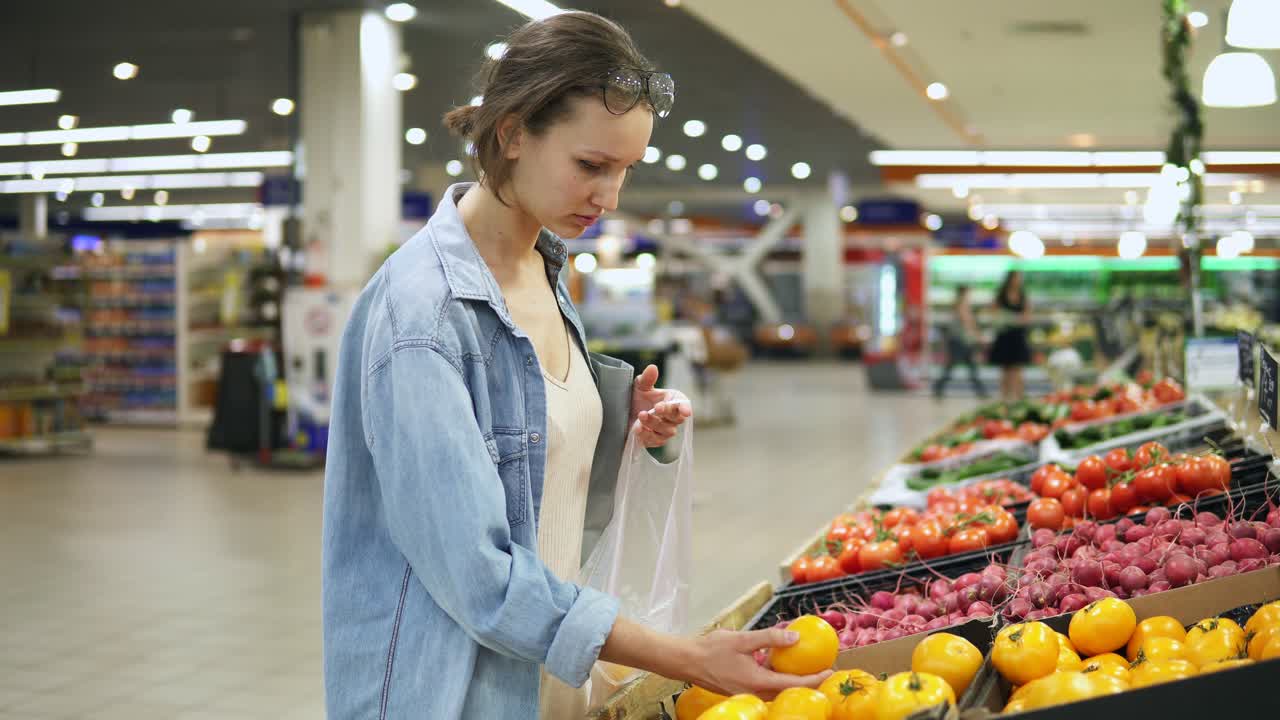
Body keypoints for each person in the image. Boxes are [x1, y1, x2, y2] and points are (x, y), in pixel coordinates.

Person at [320, 12, 829, 719]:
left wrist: (616, 420)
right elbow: (481, 577)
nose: (610, 197)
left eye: (624, 170)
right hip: (455, 692)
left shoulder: (543, 266)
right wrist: (686, 657)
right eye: (591, 166)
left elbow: (527, 459)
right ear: (512, 133)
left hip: (548, 683)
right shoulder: (423, 317)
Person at [932, 284, 987, 399]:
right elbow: (967, 323)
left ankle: (980, 391)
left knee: (967, 367)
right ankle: (939, 387)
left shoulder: (959, 305)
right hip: (959, 341)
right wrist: (978, 335)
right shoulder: (961, 305)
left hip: (961, 341)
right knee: (957, 366)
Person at [988, 270, 1033, 401]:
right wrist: (1004, 319)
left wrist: (1013, 319)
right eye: (1016, 278)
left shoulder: (1023, 296)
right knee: (1005, 370)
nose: (1018, 280)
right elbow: (993, 312)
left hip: (1017, 337)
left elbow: (1027, 316)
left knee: (1017, 369)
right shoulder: (1001, 295)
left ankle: (1019, 398)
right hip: (1004, 337)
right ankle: (1005, 398)